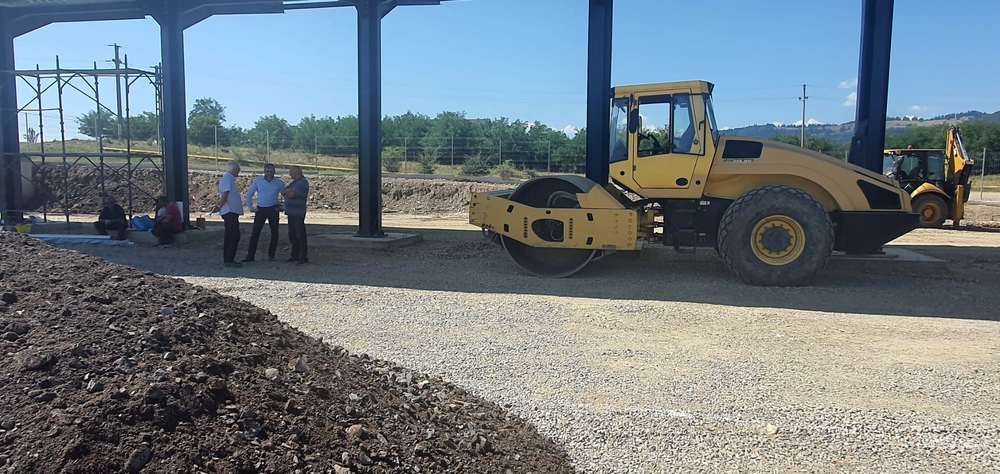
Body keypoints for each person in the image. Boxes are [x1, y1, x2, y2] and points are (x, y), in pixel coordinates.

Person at [243, 163, 285, 262]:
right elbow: (249, 194)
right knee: (255, 233)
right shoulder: (258, 181)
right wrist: (251, 207)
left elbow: (286, 195)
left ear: (274, 171)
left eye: (271, 171)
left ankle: (271, 255)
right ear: (264, 171)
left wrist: (283, 206)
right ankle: (250, 256)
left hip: (273, 209)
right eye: (267, 171)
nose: (269, 173)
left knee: (274, 233)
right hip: (261, 209)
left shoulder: (279, 183)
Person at [212, 161, 244, 267]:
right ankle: (229, 259)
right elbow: (225, 194)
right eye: (238, 169)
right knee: (233, 236)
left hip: (231, 211)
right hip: (229, 211)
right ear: (234, 169)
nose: (239, 171)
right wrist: (219, 206)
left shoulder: (229, 179)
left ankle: (228, 258)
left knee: (231, 235)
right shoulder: (227, 179)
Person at [282, 165, 310, 264]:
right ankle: (294, 255)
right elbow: (283, 191)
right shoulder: (294, 182)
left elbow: (290, 194)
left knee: (299, 235)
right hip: (291, 212)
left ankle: (302, 257)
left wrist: (288, 192)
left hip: (298, 213)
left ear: (297, 172)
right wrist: (287, 191)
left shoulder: (302, 183)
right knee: (293, 235)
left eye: (291, 172)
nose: (289, 174)